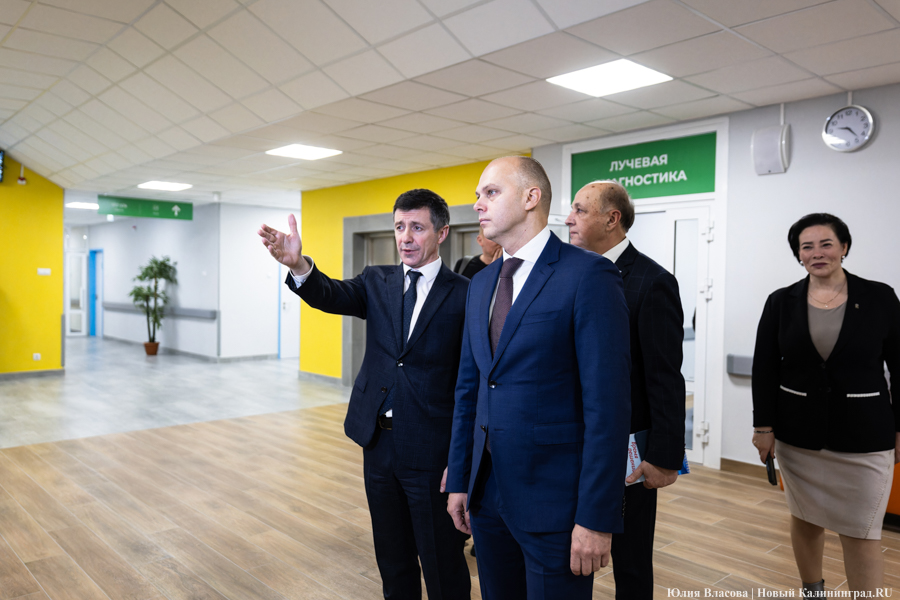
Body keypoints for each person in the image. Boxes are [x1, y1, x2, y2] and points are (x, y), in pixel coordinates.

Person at [258, 189, 471, 600]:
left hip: (432, 451)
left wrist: (460, 460)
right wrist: (298, 264)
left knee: (441, 561)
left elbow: (470, 384)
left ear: (442, 233)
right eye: (399, 227)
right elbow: (330, 293)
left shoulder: (465, 293)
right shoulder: (377, 280)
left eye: (417, 227)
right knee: (392, 557)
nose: (405, 237)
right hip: (379, 445)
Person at [445, 156, 632, 600]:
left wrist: (596, 517)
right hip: (486, 493)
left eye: (491, 192)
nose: (478, 204)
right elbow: (469, 390)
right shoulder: (481, 283)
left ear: (531, 197)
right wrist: (460, 479)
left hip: (556, 502)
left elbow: (607, 407)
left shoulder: (588, 274)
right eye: (477, 195)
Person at [752, 213, 900, 596]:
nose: (817, 253)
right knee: (805, 518)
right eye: (807, 247)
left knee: (862, 530)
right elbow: (764, 368)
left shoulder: (880, 297)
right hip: (798, 437)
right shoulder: (780, 301)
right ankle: (812, 590)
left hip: (865, 437)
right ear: (798, 255)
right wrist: (763, 427)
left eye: (826, 244)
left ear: (844, 247)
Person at [566, 180, 685, 599]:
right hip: (571, 438)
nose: (569, 219)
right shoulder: (568, 274)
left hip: (628, 447)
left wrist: (664, 456)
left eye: (580, 210)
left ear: (611, 219)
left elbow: (664, 376)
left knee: (631, 560)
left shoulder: (652, 281)